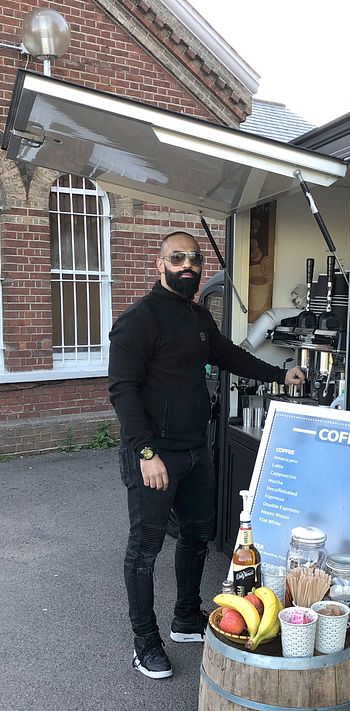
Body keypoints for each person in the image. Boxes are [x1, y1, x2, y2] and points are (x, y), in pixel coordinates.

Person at [109, 231, 304, 679]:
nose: (188, 266)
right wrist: (145, 451)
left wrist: (281, 374)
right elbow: (122, 391)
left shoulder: (198, 317)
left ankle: (185, 618)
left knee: (197, 536)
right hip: (154, 456)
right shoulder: (137, 320)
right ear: (159, 265)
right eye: (177, 258)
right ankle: (145, 643)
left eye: (194, 258)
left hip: (196, 451)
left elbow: (230, 356)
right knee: (145, 549)